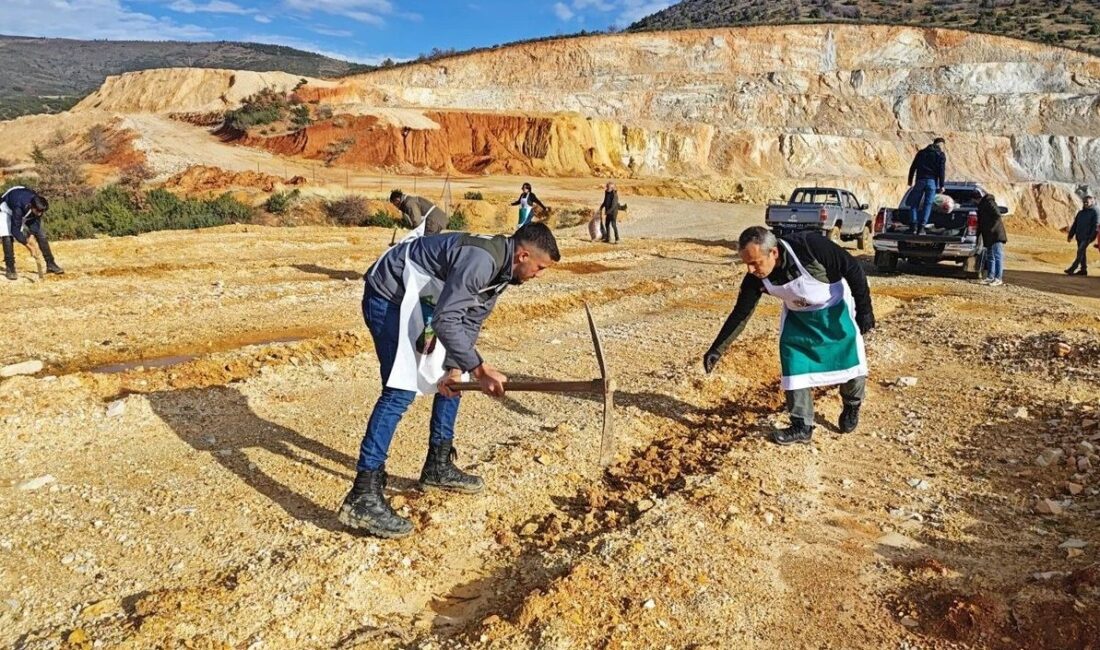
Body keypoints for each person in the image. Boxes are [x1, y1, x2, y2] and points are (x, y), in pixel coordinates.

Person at [340, 222, 561, 538]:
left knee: (454, 381)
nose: (538, 275)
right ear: (523, 254)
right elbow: (446, 319)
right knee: (400, 388)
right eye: (539, 268)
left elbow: (469, 321)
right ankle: (363, 494)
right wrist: (482, 370)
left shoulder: (502, 271)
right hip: (390, 294)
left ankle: (437, 465)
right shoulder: (482, 261)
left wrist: (457, 368)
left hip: (424, 298)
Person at [703, 227, 874, 445]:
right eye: (746, 263)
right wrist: (717, 349)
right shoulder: (755, 278)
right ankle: (801, 425)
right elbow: (741, 314)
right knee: (794, 364)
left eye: (755, 262)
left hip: (834, 309)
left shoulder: (810, 246)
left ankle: (852, 404)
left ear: (773, 253)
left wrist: (865, 310)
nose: (750, 269)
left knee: (848, 358)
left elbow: (853, 269)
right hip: (799, 320)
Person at [2, 185, 63, 280]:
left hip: (23, 197)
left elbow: (36, 222)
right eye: (38, 211)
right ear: (31, 206)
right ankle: (10, 268)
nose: (40, 213)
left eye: (42, 211)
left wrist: (31, 235)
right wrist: (29, 247)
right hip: (7, 206)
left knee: (41, 234)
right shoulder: (18, 207)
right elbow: (15, 230)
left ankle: (51, 264)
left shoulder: (38, 205)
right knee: (7, 235)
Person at [906, 137, 947, 235]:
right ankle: (922, 228)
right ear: (941, 145)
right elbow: (941, 171)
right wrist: (942, 185)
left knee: (914, 204)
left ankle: (913, 226)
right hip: (931, 182)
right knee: (927, 205)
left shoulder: (921, 153)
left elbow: (913, 167)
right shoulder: (940, 155)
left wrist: (910, 180)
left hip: (920, 180)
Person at [977, 193, 1007, 286]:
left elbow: (997, 214)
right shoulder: (982, 206)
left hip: (996, 234)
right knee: (990, 256)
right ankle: (990, 277)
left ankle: (998, 278)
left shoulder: (989, 202)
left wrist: (992, 228)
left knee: (997, 256)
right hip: (989, 235)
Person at [1065, 194, 1098, 276]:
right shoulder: (1080, 213)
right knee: (1082, 252)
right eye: (1084, 202)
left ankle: (1072, 268)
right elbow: (1075, 224)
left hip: (1087, 237)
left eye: (1087, 202)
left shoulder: (1095, 212)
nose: (1085, 203)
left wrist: (1091, 237)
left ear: (1092, 202)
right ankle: (1083, 270)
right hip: (1079, 236)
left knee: (1080, 252)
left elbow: (1096, 225)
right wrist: (1070, 235)